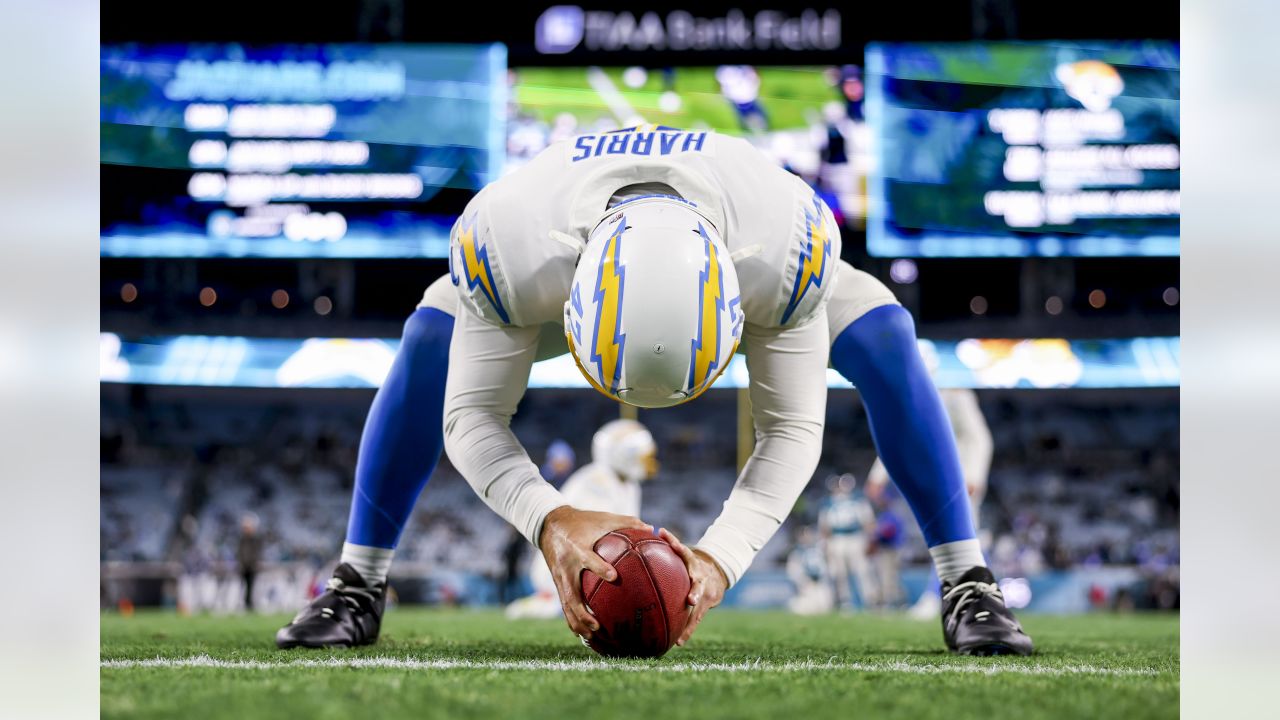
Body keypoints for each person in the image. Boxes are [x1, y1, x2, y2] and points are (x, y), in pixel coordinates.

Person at [275, 126, 1032, 656]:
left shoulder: (787, 243)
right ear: (572, 308)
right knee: (428, 342)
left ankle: (967, 581)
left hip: (739, 236)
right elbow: (469, 416)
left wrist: (718, 561)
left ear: (739, 309)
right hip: (565, 252)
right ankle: (357, 582)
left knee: (886, 337)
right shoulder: (509, 241)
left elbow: (791, 431)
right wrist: (551, 521)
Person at [506, 419, 657, 619]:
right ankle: (546, 603)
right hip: (565, 572)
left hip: (592, 569)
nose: (648, 462)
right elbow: (604, 543)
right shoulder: (596, 482)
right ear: (622, 454)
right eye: (642, 455)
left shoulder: (627, 485)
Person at [868, 384, 994, 619]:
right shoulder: (910, 393)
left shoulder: (955, 393)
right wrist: (878, 475)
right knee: (961, 537)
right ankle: (978, 597)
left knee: (956, 536)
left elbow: (979, 438)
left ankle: (937, 596)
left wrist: (974, 475)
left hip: (958, 479)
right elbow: (899, 438)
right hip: (933, 476)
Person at [818, 473, 879, 611]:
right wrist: (825, 544)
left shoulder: (858, 500)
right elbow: (824, 527)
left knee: (863, 570)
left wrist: (870, 539)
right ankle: (845, 601)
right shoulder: (828, 503)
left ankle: (871, 600)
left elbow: (868, 522)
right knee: (840, 573)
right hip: (837, 539)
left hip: (856, 537)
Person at [786, 525, 833, 615]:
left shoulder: (818, 549)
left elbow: (826, 565)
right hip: (807, 584)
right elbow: (793, 572)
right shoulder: (797, 553)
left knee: (824, 606)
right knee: (804, 608)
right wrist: (804, 582)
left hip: (820, 583)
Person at [236, 513, 263, 612]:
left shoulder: (255, 539)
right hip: (244, 567)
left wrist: (254, 563)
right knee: (243, 587)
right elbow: (239, 553)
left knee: (252, 587)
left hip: (252, 567)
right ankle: (244, 604)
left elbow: (257, 553)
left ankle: (250, 605)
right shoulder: (242, 539)